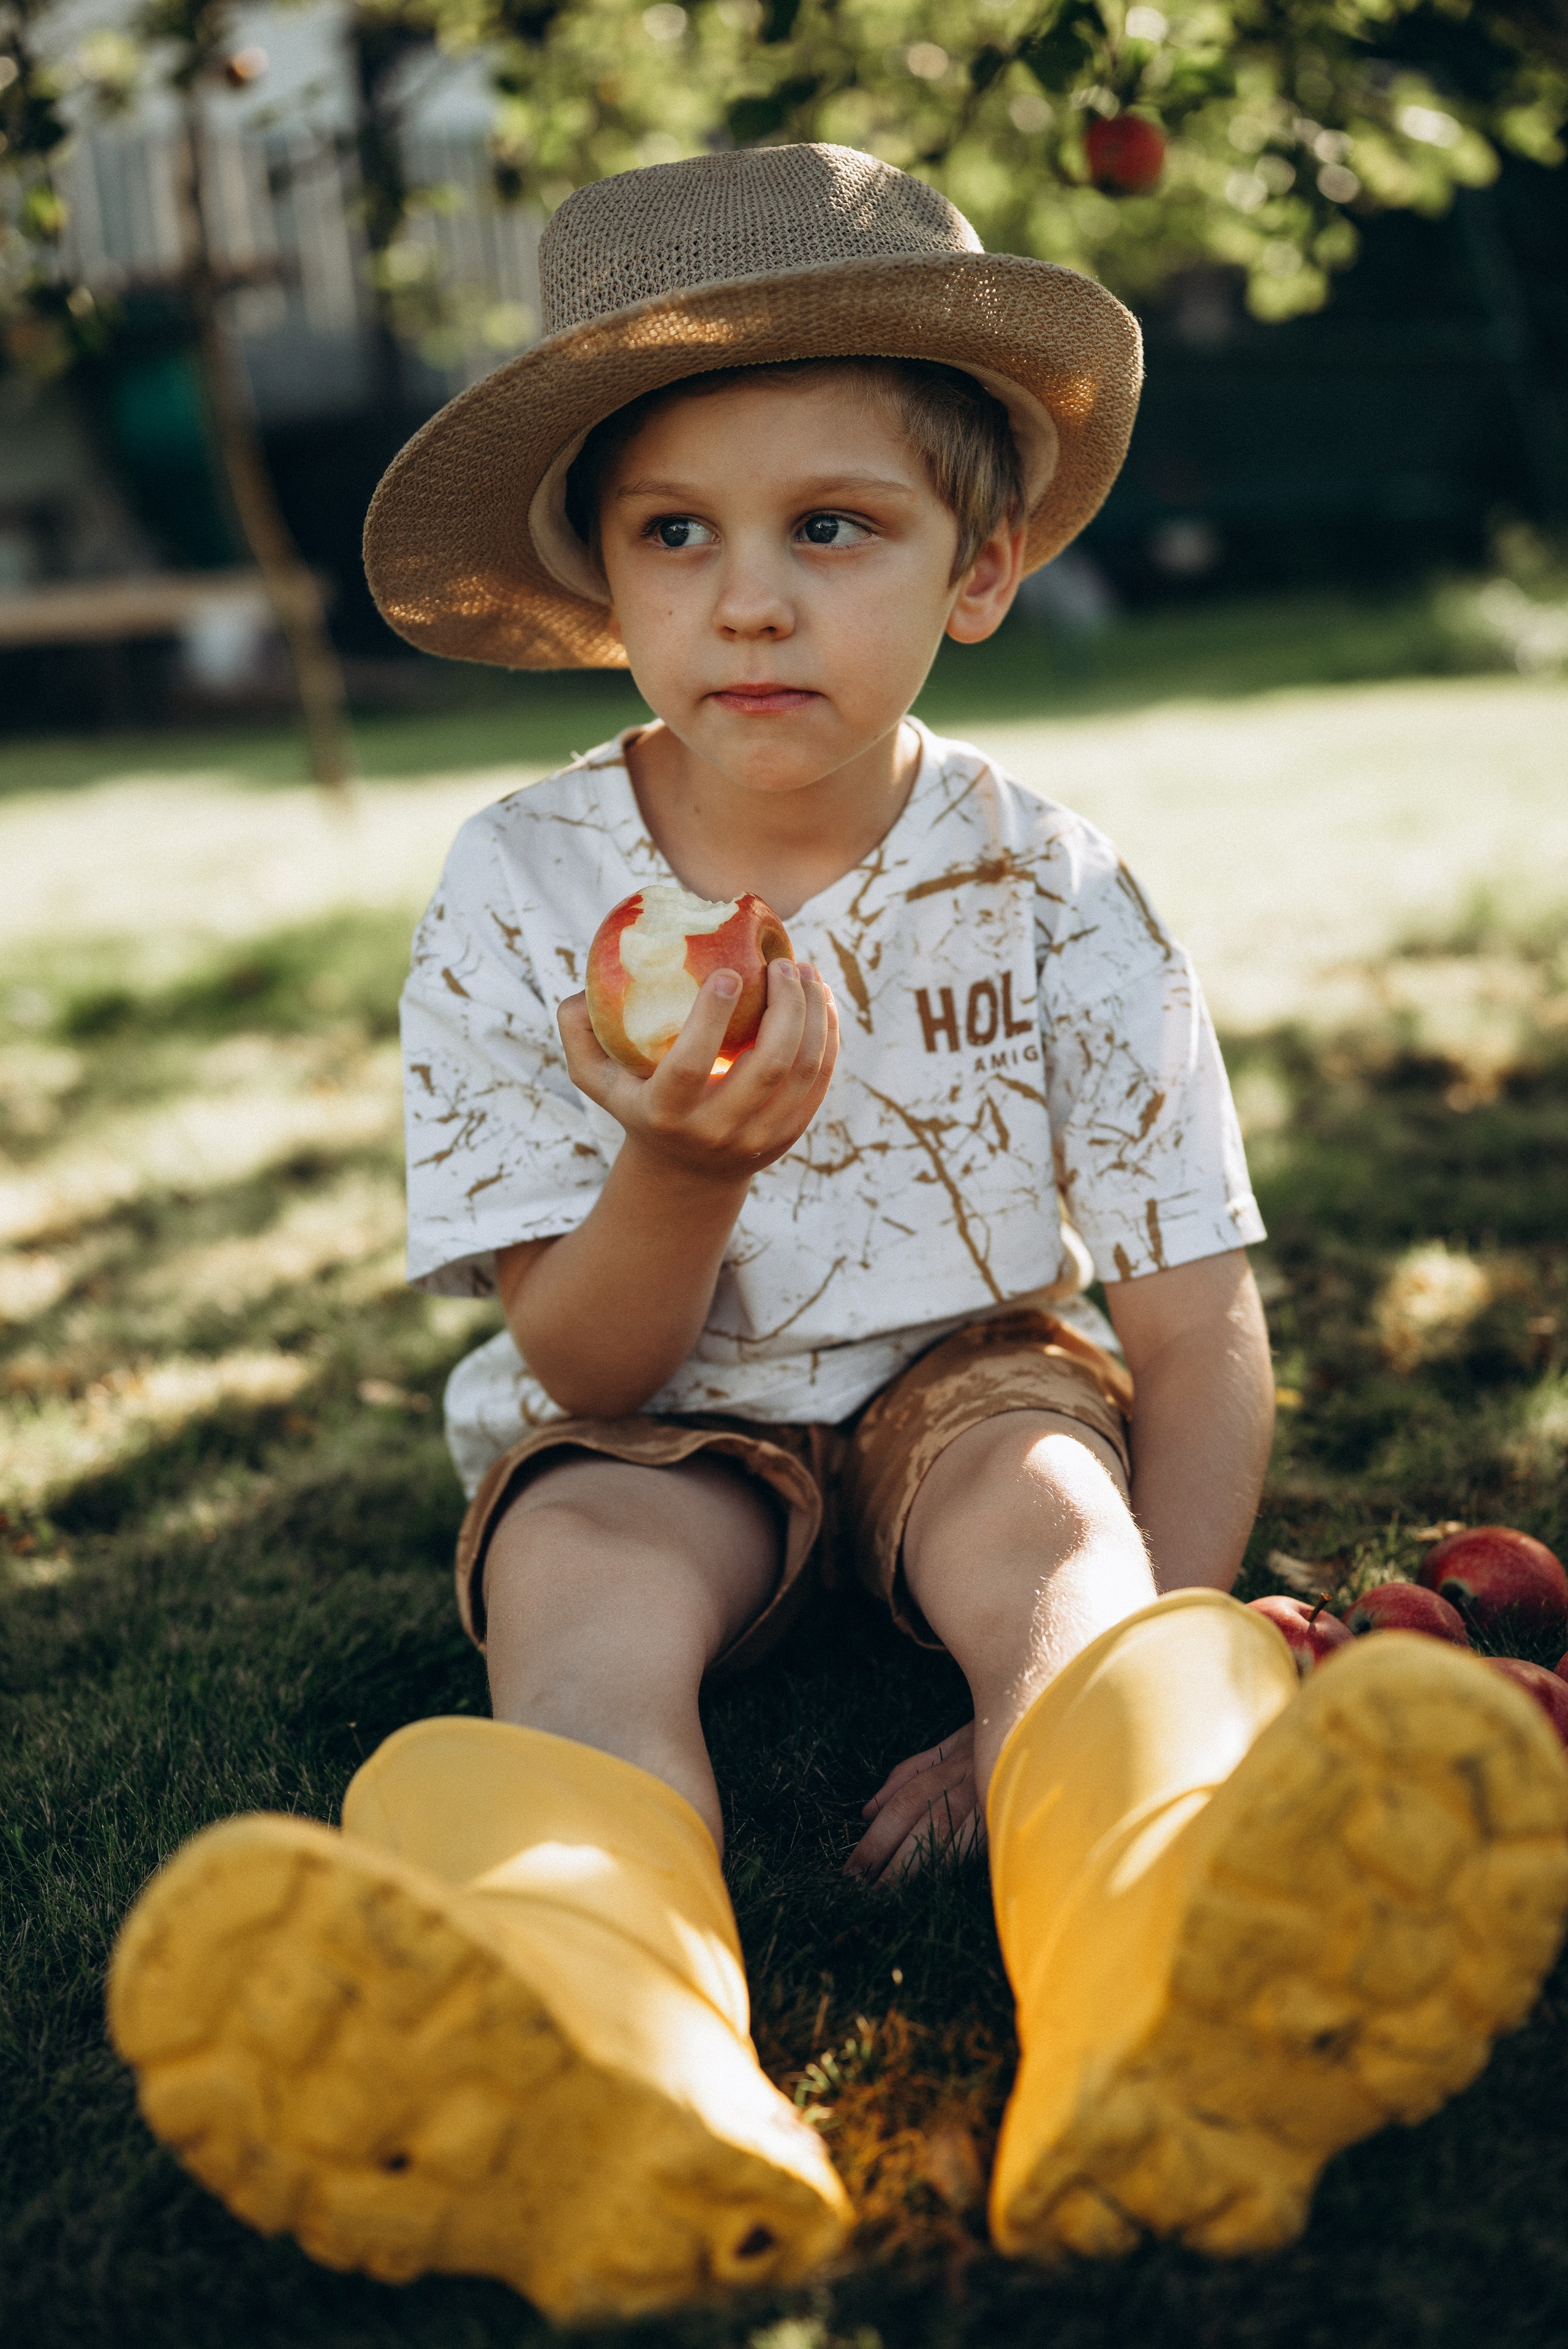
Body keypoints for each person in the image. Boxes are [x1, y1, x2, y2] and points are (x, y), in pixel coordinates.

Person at [107, 145, 1568, 2323]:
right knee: (586, 1604)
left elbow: (1193, 1322)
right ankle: (595, 2034)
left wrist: (1104, 1666)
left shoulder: (1054, 884)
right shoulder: (522, 892)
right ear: (602, 582)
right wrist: (681, 1171)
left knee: (1050, 1523)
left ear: (976, 571)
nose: (751, 599)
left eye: (834, 528)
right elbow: (589, 1373)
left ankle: (1170, 1935)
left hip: (963, 1374)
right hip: (649, 1428)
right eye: (674, 534)